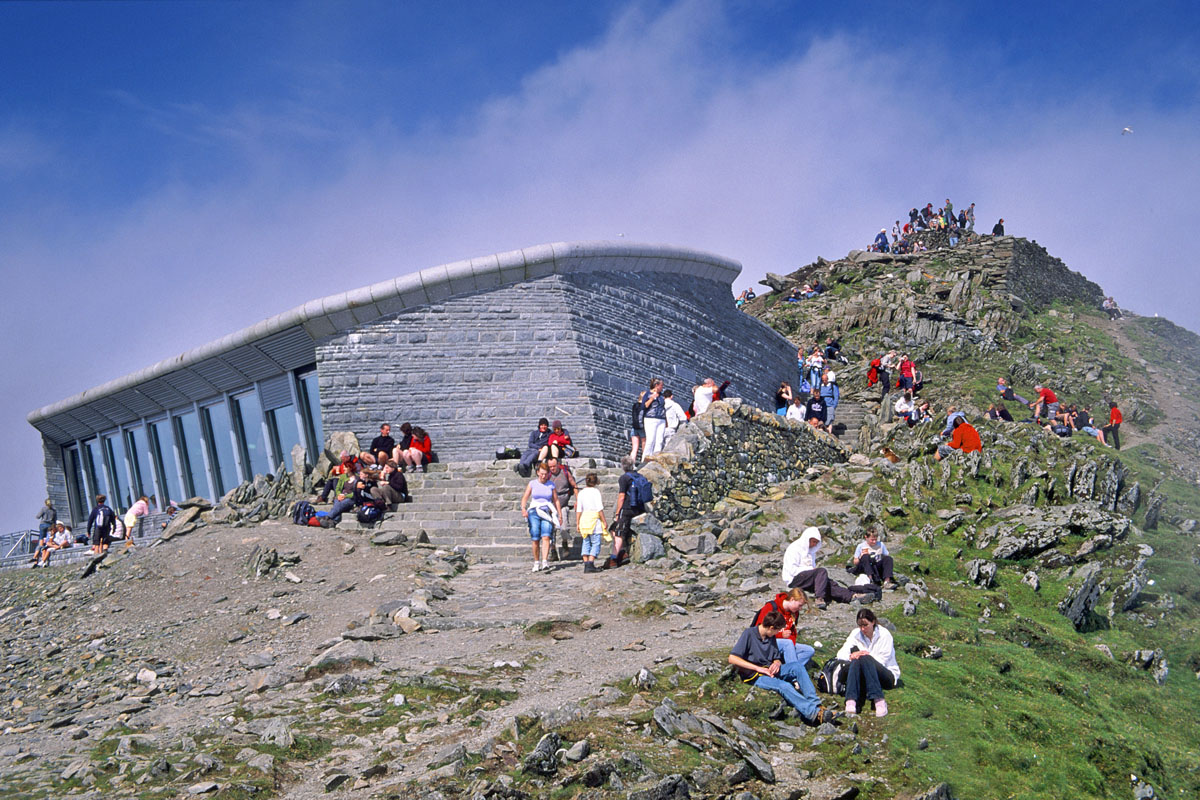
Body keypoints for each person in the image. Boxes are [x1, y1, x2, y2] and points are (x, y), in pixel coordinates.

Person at [728, 610, 837, 726]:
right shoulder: (749, 634)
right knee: (784, 686)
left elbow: (776, 657)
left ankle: (817, 705)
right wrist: (758, 669)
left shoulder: (770, 636)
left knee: (797, 667)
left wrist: (777, 663)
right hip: (755, 676)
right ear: (771, 627)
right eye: (777, 630)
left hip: (770, 670)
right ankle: (814, 714)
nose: (778, 633)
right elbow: (732, 658)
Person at [782, 528, 874, 609]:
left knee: (829, 583)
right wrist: (810, 571)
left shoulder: (810, 552)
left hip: (806, 578)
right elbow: (792, 570)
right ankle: (819, 598)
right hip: (794, 580)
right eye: (813, 542)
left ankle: (852, 596)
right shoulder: (794, 549)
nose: (814, 545)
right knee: (821, 572)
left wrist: (812, 572)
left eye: (816, 543)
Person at [837, 609, 900, 717]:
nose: (862, 629)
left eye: (865, 625)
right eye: (860, 625)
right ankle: (851, 700)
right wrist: (851, 656)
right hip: (864, 673)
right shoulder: (855, 634)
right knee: (857, 658)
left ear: (873, 622)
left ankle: (878, 700)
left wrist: (865, 657)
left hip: (885, 673)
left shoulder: (884, 635)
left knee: (864, 657)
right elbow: (840, 654)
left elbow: (883, 660)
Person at [753, 588, 815, 665]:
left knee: (809, 650)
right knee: (787, 643)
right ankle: (793, 671)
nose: (800, 609)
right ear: (792, 599)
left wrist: (790, 647)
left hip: (785, 645)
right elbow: (759, 631)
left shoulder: (794, 613)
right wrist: (780, 635)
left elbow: (792, 632)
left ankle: (786, 668)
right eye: (799, 605)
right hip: (766, 643)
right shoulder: (771, 607)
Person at [520, 462, 561, 573]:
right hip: (534, 511)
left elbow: (556, 500)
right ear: (538, 472)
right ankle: (536, 561)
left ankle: (544, 561)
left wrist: (559, 514)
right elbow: (525, 497)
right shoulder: (532, 483)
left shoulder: (551, 485)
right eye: (541, 474)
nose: (543, 476)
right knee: (535, 537)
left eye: (545, 474)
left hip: (546, 511)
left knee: (546, 536)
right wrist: (524, 509)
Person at [606, 456, 646, 570]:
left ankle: (613, 559)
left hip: (627, 508)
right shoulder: (639, 476)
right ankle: (623, 553)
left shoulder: (624, 478)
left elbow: (622, 496)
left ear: (623, 466)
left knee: (618, 532)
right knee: (613, 529)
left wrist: (618, 511)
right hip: (638, 508)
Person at [575, 473, 607, 573]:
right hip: (594, 520)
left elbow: (579, 509)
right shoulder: (596, 492)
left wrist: (577, 522)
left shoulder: (581, 493)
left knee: (586, 542)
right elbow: (599, 508)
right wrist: (604, 521)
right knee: (596, 542)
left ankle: (586, 563)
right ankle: (590, 563)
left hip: (584, 519)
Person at [546, 457, 577, 554]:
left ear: (558, 464)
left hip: (563, 504)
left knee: (564, 527)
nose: (552, 469)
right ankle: (553, 550)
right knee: (551, 529)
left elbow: (574, 486)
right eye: (550, 467)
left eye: (554, 466)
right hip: (551, 506)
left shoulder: (565, 472)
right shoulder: (547, 475)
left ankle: (565, 543)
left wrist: (578, 500)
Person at [640, 378, 668, 458]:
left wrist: (666, 420)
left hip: (661, 419)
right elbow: (644, 406)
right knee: (650, 440)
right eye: (661, 385)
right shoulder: (648, 394)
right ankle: (645, 458)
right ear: (656, 385)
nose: (662, 387)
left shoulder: (662, 396)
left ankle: (656, 458)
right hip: (650, 418)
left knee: (659, 440)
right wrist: (652, 398)